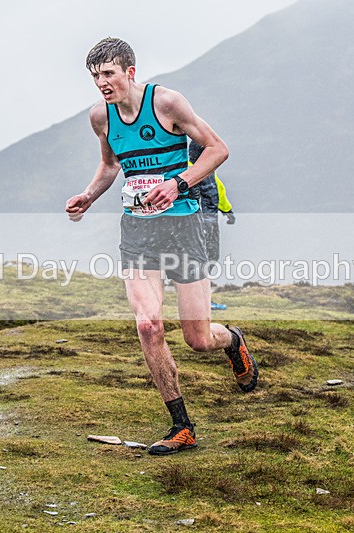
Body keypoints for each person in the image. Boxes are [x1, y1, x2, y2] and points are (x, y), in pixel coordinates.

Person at [66, 38, 258, 456]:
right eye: (95, 76)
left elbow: (217, 149)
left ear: (130, 72)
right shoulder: (101, 117)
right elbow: (111, 164)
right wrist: (88, 195)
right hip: (137, 232)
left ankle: (233, 341)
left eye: (109, 74)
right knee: (148, 325)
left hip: (183, 227)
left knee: (198, 339)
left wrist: (177, 184)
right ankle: (181, 426)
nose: (101, 83)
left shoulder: (168, 103)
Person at [188, 140, 236, 310]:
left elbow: (219, 191)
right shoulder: (188, 171)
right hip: (196, 224)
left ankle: (204, 298)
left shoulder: (209, 172)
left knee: (211, 258)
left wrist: (227, 211)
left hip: (211, 223)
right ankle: (200, 300)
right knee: (199, 261)